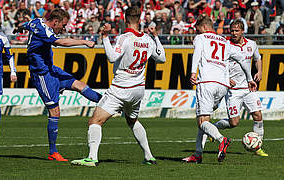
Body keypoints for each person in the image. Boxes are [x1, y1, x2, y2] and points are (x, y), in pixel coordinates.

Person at [71, 6, 166, 167]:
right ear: (140, 19)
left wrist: (105, 37)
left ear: (125, 19)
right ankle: (149, 156)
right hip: (138, 88)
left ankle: (92, 157)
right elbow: (162, 58)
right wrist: (156, 37)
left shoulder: (125, 38)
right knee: (132, 120)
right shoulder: (148, 39)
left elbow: (111, 57)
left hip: (121, 87)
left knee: (95, 121)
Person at [13, 9, 102, 161]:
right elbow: (61, 42)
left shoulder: (36, 22)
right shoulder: (43, 30)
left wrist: (18, 28)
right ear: (55, 22)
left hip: (52, 70)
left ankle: (108, 103)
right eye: (63, 25)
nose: (64, 29)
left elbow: (24, 25)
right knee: (55, 112)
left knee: (80, 85)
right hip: (42, 75)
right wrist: (85, 42)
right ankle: (53, 152)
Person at [182, 15, 256, 163]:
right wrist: (249, 79)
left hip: (207, 82)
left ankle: (221, 139)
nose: (198, 33)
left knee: (202, 121)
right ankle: (198, 153)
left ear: (203, 28)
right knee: (205, 120)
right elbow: (243, 59)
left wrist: (192, 72)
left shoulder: (201, 38)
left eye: (198, 30)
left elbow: (196, 54)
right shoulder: (224, 41)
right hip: (223, 86)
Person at [202, 20, 268, 157]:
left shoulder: (252, 44)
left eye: (236, 30)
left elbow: (258, 58)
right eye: (232, 30)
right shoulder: (225, 45)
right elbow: (218, 64)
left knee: (258, 115)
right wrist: (226, 79)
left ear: (242, 31)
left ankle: (257, 147)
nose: (233, 33)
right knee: (234, 123)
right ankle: (214, 127)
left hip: (249, 88)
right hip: (233, 91)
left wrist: (259, 71)